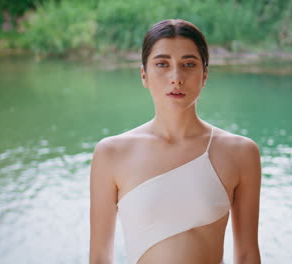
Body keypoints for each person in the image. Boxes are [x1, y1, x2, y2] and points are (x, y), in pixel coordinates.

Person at [89, 19, 262, 264]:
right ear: (143, 74)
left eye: (188, 64)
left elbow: (247, 255)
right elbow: (99, 257)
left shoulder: (240, 153)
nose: (176, 77)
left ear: (204, 74)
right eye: (162, 64)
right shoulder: (111, 153)